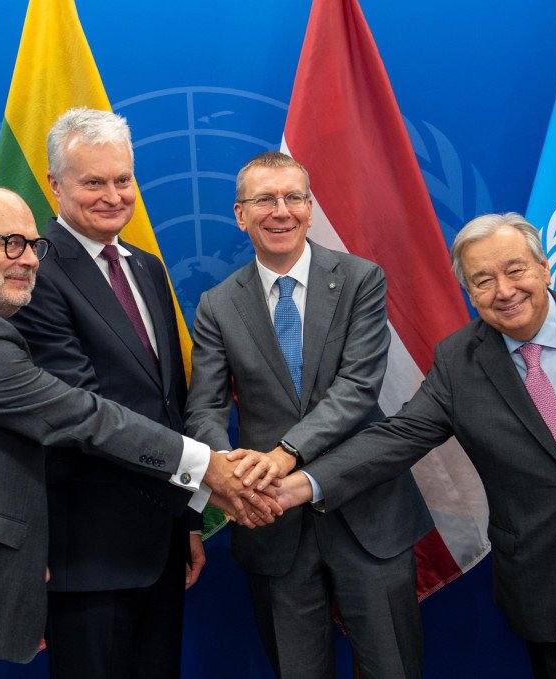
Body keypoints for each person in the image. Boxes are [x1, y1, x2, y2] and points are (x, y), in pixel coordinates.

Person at [0, 185, 275, 679]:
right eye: (10, 244)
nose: (30, 260)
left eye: (34, 246)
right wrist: (207, 467)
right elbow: (81, 417)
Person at [266, 212, 556, 678]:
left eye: (515, 270)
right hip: (553, 599)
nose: (505, 290)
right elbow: (399, 435)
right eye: (483, 280)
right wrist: (301, 485)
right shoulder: (458, 361)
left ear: (543, 267)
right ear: (470, 293)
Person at [184, 152, 431, 679]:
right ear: (240, 214)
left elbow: (357, 389)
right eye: (264, 200)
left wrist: (282, 456)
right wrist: (228, 468)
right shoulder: (216, 304)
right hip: (270, 523)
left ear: (310, 207)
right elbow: (204, 406)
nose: (281, 211)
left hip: (368, 514)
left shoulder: (363, 279)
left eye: (293, 197)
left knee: (393, 668)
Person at [8, 107, 204, 678]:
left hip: (162, 542)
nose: (113, 195)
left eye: (123, 179)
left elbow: (170, 402)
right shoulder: (34, 270)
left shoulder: (145, 267)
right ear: (54, 185)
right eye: (93, 181)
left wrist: (188, 520)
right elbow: (79, 412)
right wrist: (205, 472)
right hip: (86, 552)